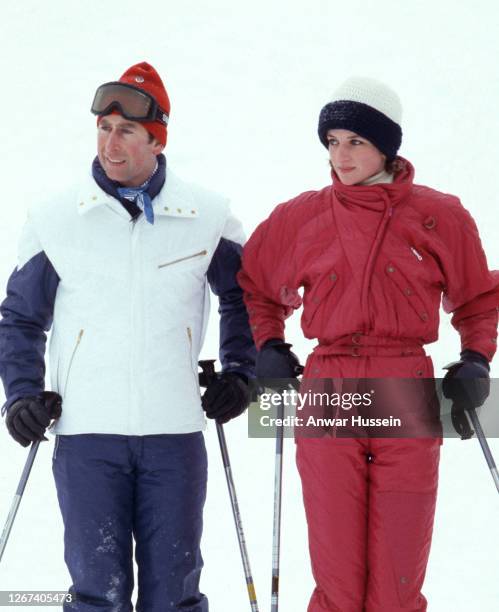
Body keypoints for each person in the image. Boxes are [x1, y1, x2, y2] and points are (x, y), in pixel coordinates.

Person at [0, 61, 255, 611]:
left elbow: (245, 297)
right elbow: (20, 318)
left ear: (157, 140)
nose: (110, 143)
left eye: (127, 131)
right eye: (102, 128)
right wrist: (20, 392)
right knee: (98, 593)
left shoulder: (207, 215)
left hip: (175, 435)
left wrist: (239, 372)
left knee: (175, 593)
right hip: (88, 436)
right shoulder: (56, 218)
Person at [238, 77, 498, 611]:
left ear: (386, 145)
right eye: (332, 141)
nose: (340, 154)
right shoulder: (300, 216)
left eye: (355, 141)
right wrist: (269, 343)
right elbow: (257, 288)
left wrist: (476, 357)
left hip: (404, 382)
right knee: (337, 578)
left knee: (397, 583)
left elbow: (477, 299)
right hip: (329, 385)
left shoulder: (440, 214)